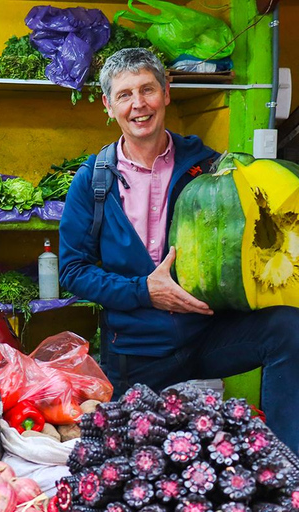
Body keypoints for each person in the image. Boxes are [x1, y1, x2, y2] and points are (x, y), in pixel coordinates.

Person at [59, 48, 299, 453]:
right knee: (133, 458)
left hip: (207, 334)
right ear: (108, 106)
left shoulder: (209, 168)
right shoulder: (93, 181)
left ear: (166, 93)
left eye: (147, 90)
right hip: (137, 351)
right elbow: (73, 270)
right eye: (124, 95)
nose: (138, 104)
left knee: (289, 328)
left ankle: (284, 462)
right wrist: (145, 291)